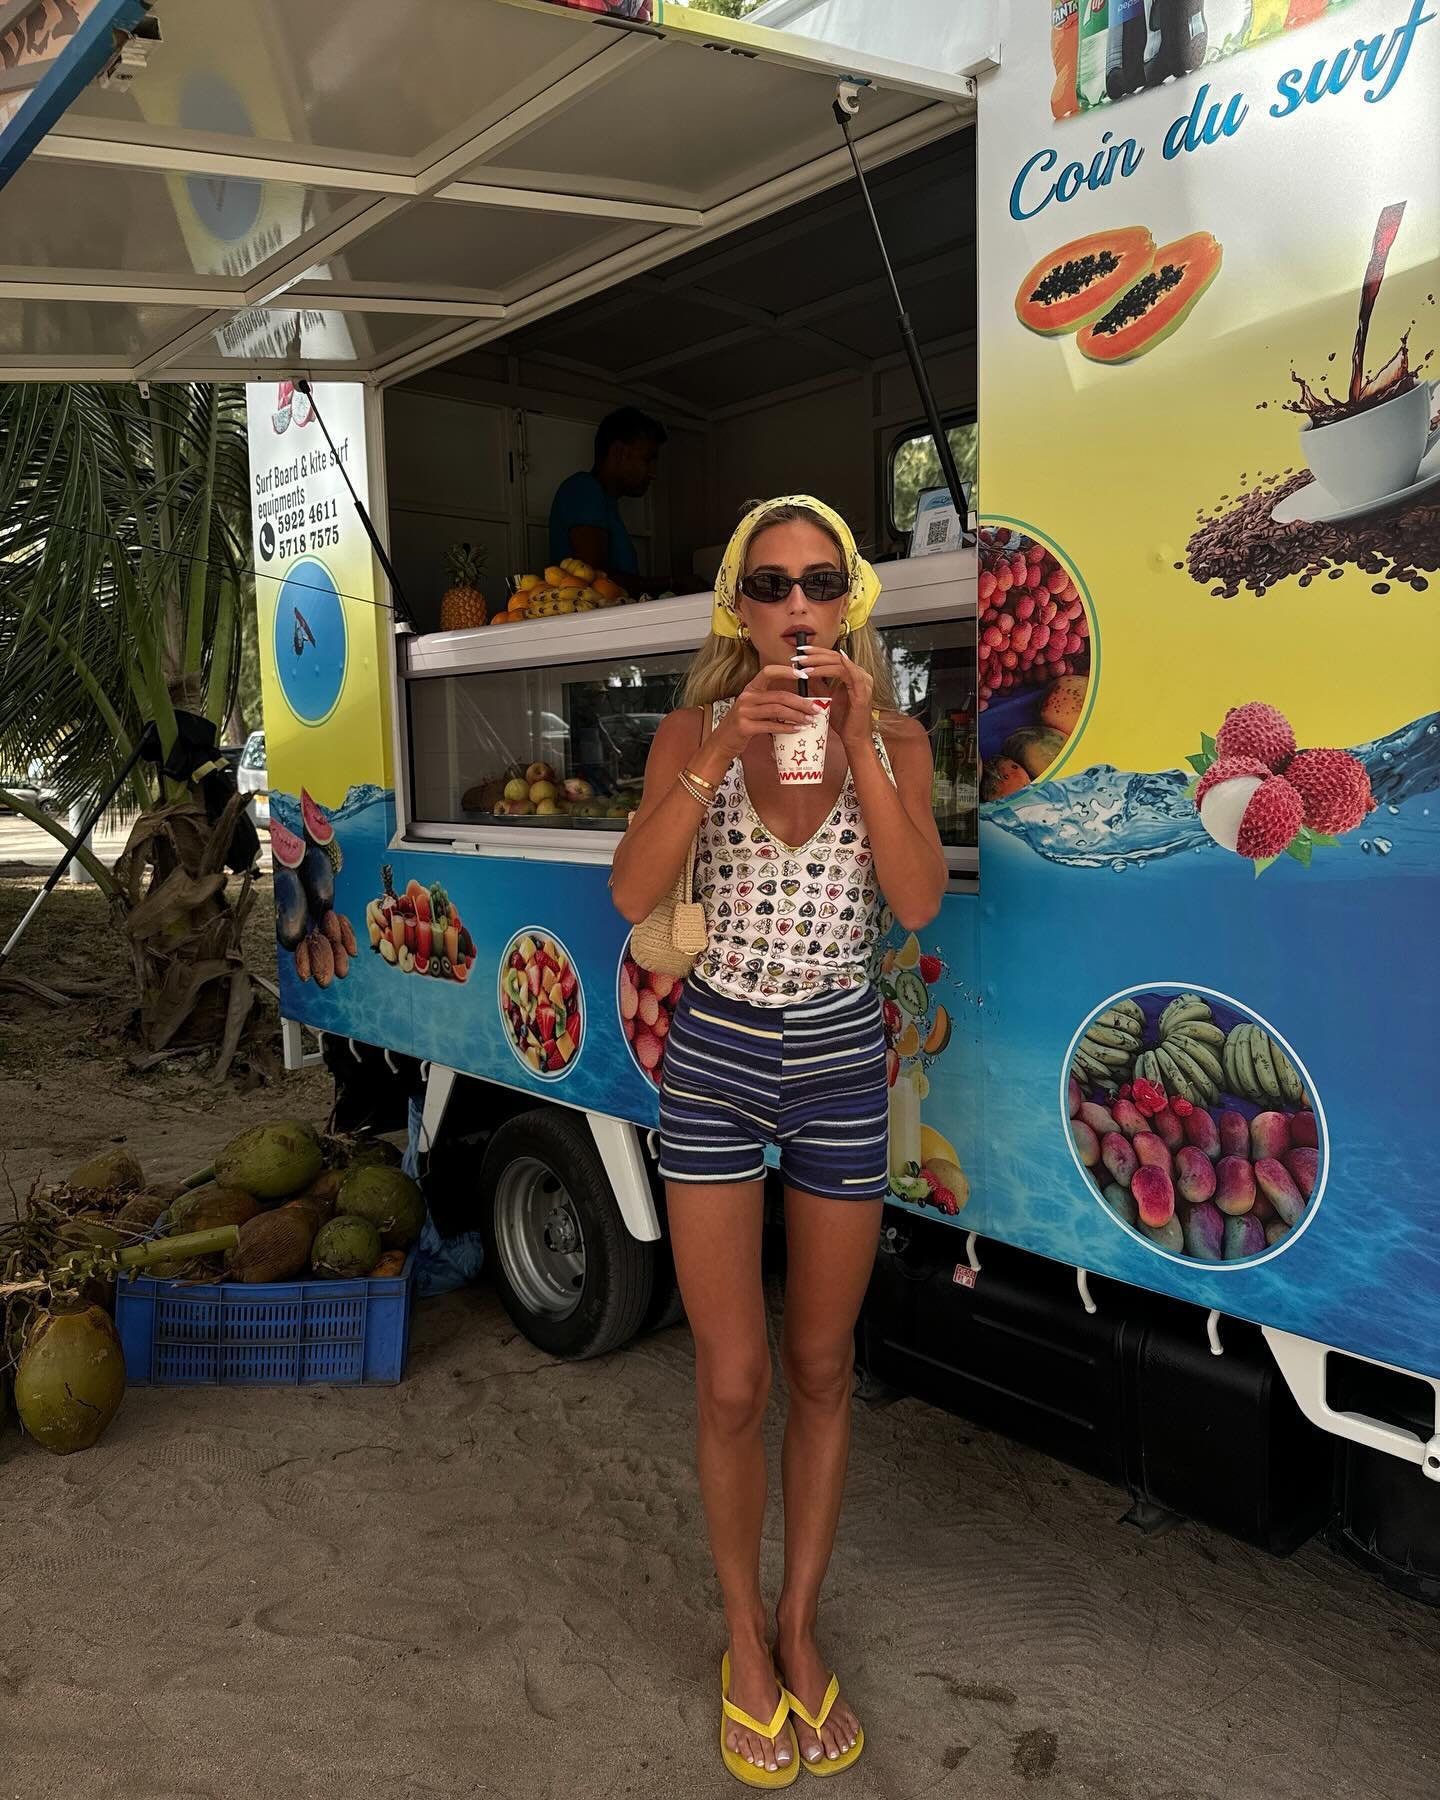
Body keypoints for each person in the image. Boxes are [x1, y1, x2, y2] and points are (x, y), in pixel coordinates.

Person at [610, 496, 946, 1786]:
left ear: (850, 602)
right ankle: (739, 1639)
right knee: (732, 1378)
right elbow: (634, 892)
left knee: (818, 1365)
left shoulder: (900, 738)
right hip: (718, 1058)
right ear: (736, 612)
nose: (795, 605)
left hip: (841, 1063)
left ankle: (799, 1629)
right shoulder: (694, 729)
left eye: (817, 582)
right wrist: (711, 756)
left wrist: (859, 738)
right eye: (768, 586)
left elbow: (912, 903)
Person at [548, 406, 667, 597]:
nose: (653, 473)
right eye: (647, 459)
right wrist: (671, 583)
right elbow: (595, 578)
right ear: (618, 452)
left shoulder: (606, 502)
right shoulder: (584, 488)